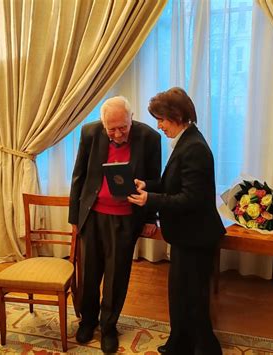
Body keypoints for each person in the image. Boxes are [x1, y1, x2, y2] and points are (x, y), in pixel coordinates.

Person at [128, 87, 225, 355]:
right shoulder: (187, 141)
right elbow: (173, 184)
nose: (158, 126)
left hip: (195, 237)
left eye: (161, 119)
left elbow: (189, 199)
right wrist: (146, 184)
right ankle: (180, 344)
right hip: (188, 235)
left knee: (193, 299)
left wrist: (150, 199)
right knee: (181, 295)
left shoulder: (194, 148)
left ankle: (205, 349)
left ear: (178, 115)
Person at [69, 96, 161, 353]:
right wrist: (75, 218)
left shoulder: (150, 138)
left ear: (132, 118)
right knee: (89, 273)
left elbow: (155, 181)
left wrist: (150, 218)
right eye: (112, 129)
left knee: (116, 275)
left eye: (123, 126)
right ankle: (87, 321)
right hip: (93, 214)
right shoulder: (89, 133)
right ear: (102, 124)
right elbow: (79, 175)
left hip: (125, 218)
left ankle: (108, 326)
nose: (118, 133)